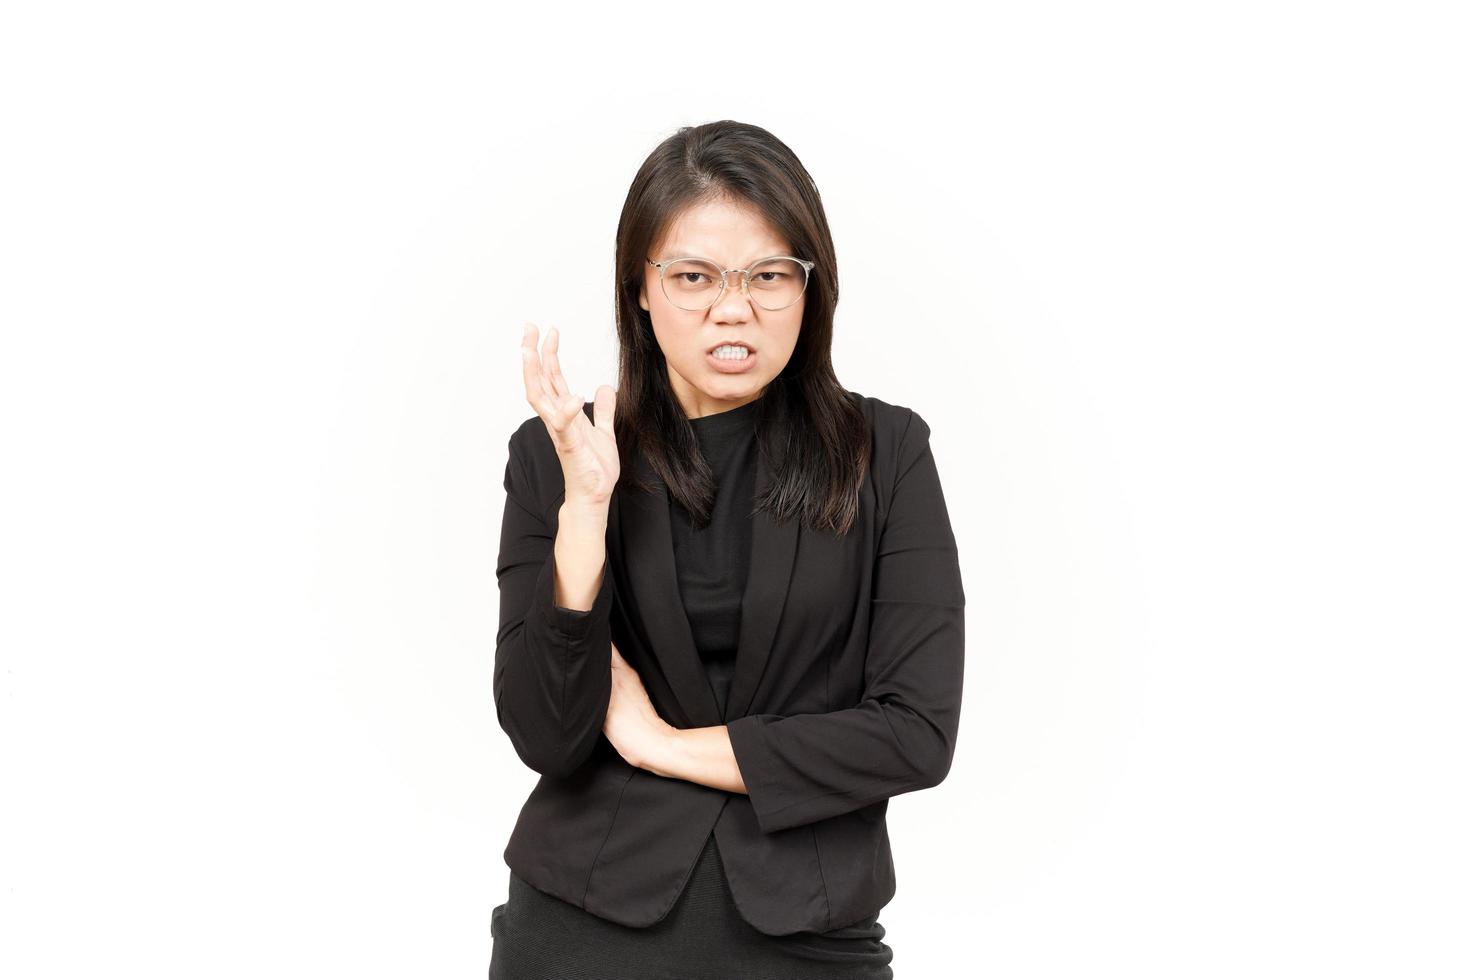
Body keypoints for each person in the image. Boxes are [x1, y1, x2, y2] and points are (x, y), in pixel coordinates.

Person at [489, 120, 965, 979]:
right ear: (641, 288)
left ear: (808, 286)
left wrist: (656, 744)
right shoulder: (556, 455)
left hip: (808, 937)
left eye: (769, 275)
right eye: (694, 277)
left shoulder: (886, 453)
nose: (732, 307)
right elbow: (546, 735)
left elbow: (914, 736)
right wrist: (585, 515)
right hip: (581, 928)